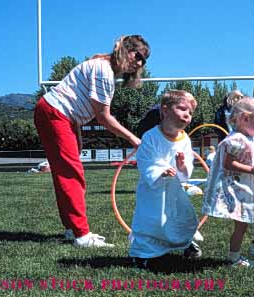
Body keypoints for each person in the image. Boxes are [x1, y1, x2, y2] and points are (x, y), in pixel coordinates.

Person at [34, 35, 150, 247]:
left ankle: (72, 229)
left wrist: (76, 136)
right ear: (125, 49)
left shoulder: (103, 68)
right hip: (56, 114)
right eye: (139, 55)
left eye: (145, 60)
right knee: (71, 174)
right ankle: (82, 235)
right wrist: (135, 139)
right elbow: (103, 118)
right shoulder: (103, 71)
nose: (140, 63)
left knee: (66, 172)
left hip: (60, 115)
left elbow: (78, 107)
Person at [202, 97, 254, 267]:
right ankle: (234, 257)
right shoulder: (236, 139)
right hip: (241, 188)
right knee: (241, 224)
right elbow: (228, 163)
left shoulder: (249, 139)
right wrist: (250, 169)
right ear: (245, 118)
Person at [129, 90, 201, 269]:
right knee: (152, 220)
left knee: (178, 217)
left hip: (175, 191)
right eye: (182, 108)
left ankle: (185, 244)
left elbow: (186, 172)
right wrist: (160, 170)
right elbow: (145, 161)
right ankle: (142, 253)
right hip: (152, 191)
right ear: (165, 110)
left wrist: (182, 166)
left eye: (190, 112)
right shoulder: (150, 137)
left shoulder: (185, 140)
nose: (187, 114)